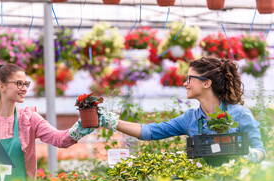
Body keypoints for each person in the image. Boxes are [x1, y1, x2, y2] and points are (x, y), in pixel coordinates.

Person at [98, 56, 266, 163]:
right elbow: (151, 131)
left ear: (206, 83)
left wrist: (250, 155)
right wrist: (110, 121)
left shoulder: (240, 114)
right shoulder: (190, 118)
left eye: (189, 79)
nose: (185, 83)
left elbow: (260, 151)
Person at [0, 62, 93, 181]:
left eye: (26, 84)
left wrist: (84, 124)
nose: (24, 88)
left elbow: (60, 139)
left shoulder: (28, 119)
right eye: (19, 83)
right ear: (1, 86)